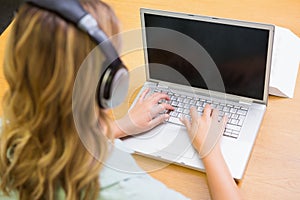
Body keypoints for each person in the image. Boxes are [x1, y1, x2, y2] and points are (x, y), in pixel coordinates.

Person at [0, 0, 242, 199]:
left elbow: (58, 144)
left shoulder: (7, 133)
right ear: (112, 83)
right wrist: (210, 150)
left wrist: (120, 126)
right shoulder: (127, 190)